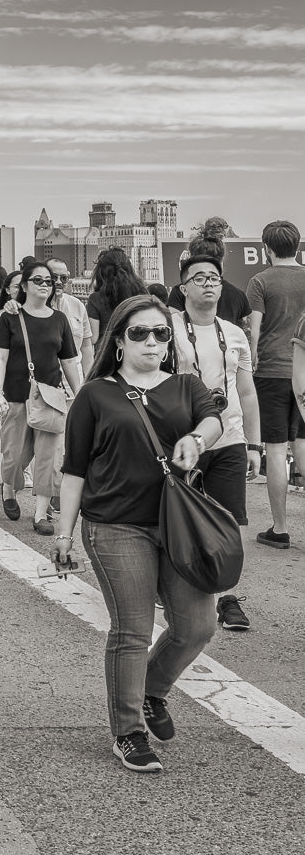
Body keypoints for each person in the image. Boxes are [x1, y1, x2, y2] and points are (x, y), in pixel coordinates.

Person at [58, 294, 224, 773]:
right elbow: (74, 470)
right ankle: (127, 732)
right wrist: (64, 536)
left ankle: (152, 689)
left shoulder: (185, 386)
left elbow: (212, 418)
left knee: (197, 626)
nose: (152, 342)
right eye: (140, 333)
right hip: (115, 525)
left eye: (160, 333)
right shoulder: (96, 395)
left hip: (178, 525)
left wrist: (196, 438)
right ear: (118, 340)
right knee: (132, 630)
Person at [172, 250, 261, 632]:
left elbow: (248, 391)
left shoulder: (235, 333)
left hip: (229, 439)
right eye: (199, 278)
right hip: (182, 440)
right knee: (178, 518)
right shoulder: (167, 327)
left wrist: (254, 445)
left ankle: (227, 598)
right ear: (183, 287)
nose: (208, 283)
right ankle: (176, 589)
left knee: (228, 521)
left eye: (214, 278)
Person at [0, 261, 83, 535]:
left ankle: (41, 514)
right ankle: (8, 487)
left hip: (50, 398)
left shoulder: (59, 319)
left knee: (50, 459)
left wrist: (81, 394)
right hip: (17, 396)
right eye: (39, 280)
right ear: (25, 286)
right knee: (14, 457)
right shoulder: (9, 317)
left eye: (49, 281)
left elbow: (68, 362)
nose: (46, 285)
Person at [246, 219, 305, 550]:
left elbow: (254, 330)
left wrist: (252, 359)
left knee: (277, 449)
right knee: (304, 446)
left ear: (267, 250)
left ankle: (280, 529)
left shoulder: (259, 281)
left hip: (271, 372)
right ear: (297, 246)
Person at [165, 217, 251, 326]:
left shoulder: (181, 291)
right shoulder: (238, 295)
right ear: (221, 260)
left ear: (192, 258)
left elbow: (174, 329)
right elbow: (243, 330)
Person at [87, 247, 149, 341]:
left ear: (101, 273)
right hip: (136, 348)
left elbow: (93, 338)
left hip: (106, 352)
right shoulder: (142, 294)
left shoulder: (96, 299)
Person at [46, 259, 95, 377]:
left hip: (75, 376)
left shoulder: (77, 305)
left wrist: (90, 379)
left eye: (63, 278)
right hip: (45, 377)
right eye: (54, 277)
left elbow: (86, 346)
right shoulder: (34, 305)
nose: (58, 282)